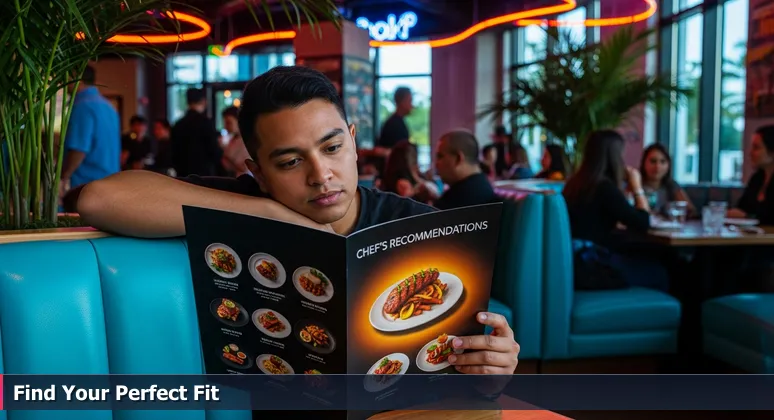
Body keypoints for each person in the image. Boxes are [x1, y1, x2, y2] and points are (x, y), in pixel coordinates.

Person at [66, 68, 520, 398]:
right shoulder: (247, 200)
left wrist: (492, 374)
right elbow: (99, 199)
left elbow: (465, 374)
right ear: (259, 172)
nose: (321, 175)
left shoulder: (417, 226)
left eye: (333, 147)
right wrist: (270, 214)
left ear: (353, 141)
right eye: (290, 162)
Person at [562, 130, 671, 292]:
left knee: (654, 255)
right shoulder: (604, 187)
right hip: (593, 267)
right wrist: (637, 187)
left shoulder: (576, 184)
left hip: (577, 262)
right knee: (661, 272)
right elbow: (643, 222)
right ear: (613, 157)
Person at [61, 65, 120, 192]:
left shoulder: (83, 106)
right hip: (110, 181)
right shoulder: (108, 106)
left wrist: (63, 176)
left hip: (87, 185)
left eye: (66, 78)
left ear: (78, 80)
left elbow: (79, 149)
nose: (62, 83)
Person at [434, 130, 498, 210]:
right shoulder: (480, 187)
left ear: (458, 158)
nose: (436, 164)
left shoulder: (459, 198)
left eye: (440, 156)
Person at [171, 88, 223, 177]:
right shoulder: (205, 122)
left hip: (182, 174)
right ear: (203, 101)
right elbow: (213, 150)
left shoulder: (178, 124)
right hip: (203, 174)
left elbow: (173, 152)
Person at [728, 125, 774, 224]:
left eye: (756, 148)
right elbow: (741, 208)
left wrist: (747, 217)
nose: (750, 153)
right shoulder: (757, 178)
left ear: (772, 152)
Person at [639, 143, 695, 216]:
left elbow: (690, 210)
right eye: (653, 161)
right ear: (644, 163)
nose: (657, 166)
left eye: (663, 162)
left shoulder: (672, 185)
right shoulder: (635, 184)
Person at [376, 87, 412, 152]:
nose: (411, 105)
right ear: (402, 102)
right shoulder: (394, 124)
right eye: (410, 101)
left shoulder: (395, 122)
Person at [220, 106, 251, 176]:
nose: (225, 126)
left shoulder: (246, 141)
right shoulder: (233, 139)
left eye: (228, 123)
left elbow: (244, 167)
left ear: (239, 121)